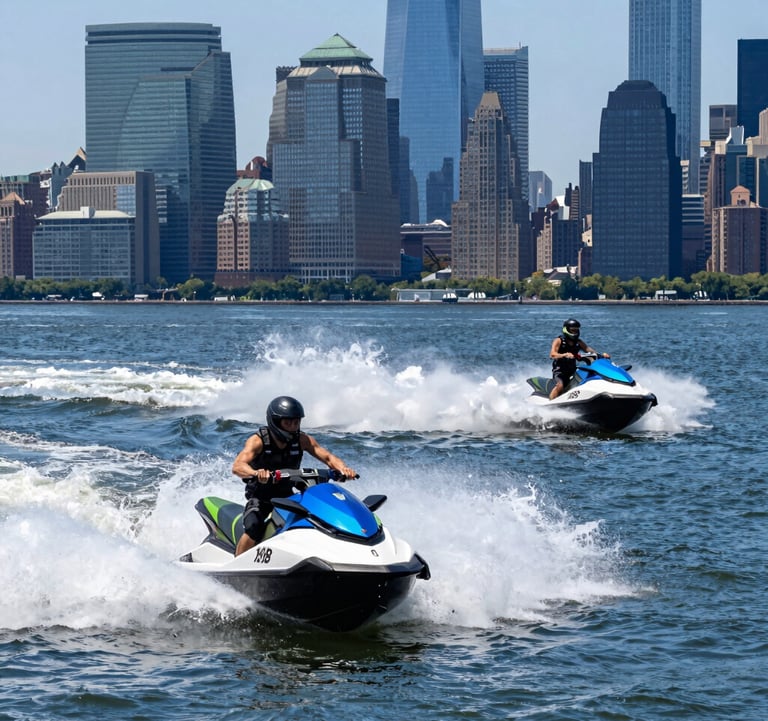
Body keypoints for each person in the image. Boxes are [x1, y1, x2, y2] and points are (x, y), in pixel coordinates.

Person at [232, 395, 357, 556]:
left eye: (296, 422)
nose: (293, 426)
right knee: (254, 527)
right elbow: (238, 466)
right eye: (288, 422)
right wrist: (256, 473)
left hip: (287, 497)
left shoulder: (303, 440)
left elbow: (328, 457)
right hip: (261, 498)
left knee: (315, 519)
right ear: (276, 422)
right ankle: (236, 566)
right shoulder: (258, 441)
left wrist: (343, 469)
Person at [548, 319, 610, 400]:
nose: (575, 332)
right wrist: (565, 355)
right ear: (566, 330)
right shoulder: (559, 341)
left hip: (573, 370)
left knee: (585, 380)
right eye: (573, 330)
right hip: (560, 371)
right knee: (560, 385)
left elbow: (590, 351)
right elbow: (552, 354)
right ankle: (551, 403)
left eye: (576, 330)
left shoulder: (579, 342)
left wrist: (602, 355)